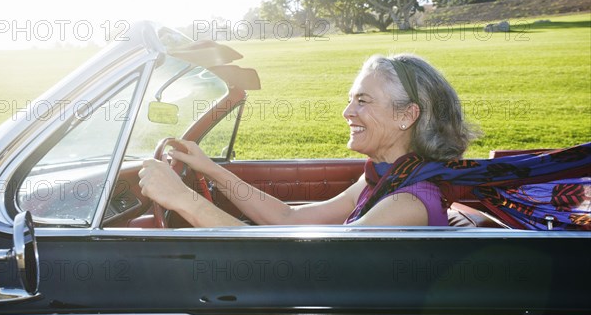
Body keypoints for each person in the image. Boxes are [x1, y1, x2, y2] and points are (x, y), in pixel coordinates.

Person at [138, 54, 478, 228]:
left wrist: (183, 199)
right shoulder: (387, 175)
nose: (347, 111)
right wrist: (211, 168)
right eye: (351, 99)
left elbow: (290, 266)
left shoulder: (408, 202)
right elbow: (289, 220)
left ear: (407, 115)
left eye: (363, 100)